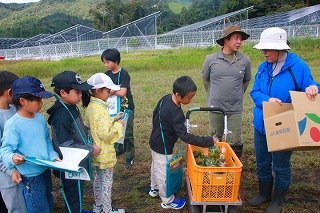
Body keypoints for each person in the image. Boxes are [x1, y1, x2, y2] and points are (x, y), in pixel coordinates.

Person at [249, 27, 320, 213]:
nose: (264, 52)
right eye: (263, 49)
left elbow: (311, 85)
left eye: (268, 49)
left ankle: (277, 201)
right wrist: (266, 100)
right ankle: (264, 194)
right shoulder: (262, 67)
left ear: (281, 49)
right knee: (262, 162)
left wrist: (313, 88)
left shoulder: (298, 66)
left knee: (280, 165)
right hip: (261, 123)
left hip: (285, 124)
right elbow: (255, 91)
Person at [149, 76, 218, 210]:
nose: (191, 101)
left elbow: (154, 113)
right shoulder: (176, 113)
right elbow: (185, 137)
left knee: (156, 166)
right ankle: (167, 200)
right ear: (177, 94)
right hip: (163, 146)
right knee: (163, 172)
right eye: (189, 98)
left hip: (155, 140)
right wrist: (208, 141)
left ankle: (154, 188)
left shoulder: (165, 98)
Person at [0, 76, 60, 213]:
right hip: (30, 177)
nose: (41, 103)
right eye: (38, 100)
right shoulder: (13, 124)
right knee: (38, 207)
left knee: (48, 202)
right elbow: (5, 150)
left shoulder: (39, 119)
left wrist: (53, 155)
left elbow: (46, 140)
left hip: (45, 169)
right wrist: (12, 157)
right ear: (23, 101)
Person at [47, 70, 101, 213]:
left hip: (79, 162)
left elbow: (78, 128)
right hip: (70, 165)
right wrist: (91, 149)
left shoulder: (71, 106)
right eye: (77, 92)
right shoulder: (61, 115)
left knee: (78, 191)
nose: (81, 95)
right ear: (63, 93)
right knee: (72, 194)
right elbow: (66, 146)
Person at [202, 25, 251, 158]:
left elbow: (246, 81)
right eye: (236, 38)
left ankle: (232, 167)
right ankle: (215, 166)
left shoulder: (245, 61)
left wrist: (237, 94)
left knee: (235, 140)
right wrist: (213, 95)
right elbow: (205, 79)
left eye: (241, 39)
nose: (239, 42)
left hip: (235, 109)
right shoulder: (211, 59)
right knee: (215, 138)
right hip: (215, 108)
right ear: (226, 40)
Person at [82, 73, 125, 213]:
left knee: (98, 180)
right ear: (98, 91)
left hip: (96, 152)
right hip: (105, 153)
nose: (110, 93)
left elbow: (93, 126)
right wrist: (119, 125)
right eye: (108, 91)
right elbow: (106, 134)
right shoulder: (100, 110)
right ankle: (107, 209)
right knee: (106, 183)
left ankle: (98, 206)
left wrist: (113, 119)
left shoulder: (91, 107)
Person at [101, 48, 135, 167]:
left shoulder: (124, 74)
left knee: (128, 132)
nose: (106, 65)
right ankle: (119, 149)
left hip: (126, 108)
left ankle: (129, 157)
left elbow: (123, 93)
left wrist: (110, 90)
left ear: (116, 61)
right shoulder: (106, 75)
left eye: (107, 62)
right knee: (115, 129)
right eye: (104, 62)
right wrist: (113, 91)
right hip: (112, 107)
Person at [0, 71, 26, 213]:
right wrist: (10, 171)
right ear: (10, 92)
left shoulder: (14, 110)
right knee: (16, 207)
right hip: (8, 178)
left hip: (21, 171)